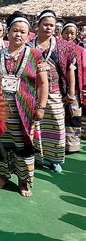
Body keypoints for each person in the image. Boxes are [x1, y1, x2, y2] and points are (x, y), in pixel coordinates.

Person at [0, 12, 48, 197]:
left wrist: (41, 107)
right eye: (15, 30)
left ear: (28, 34)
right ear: (8, 32)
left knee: (22, 145)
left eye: (23, 32)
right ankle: (4, 175)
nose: (18, 35)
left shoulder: (35, 55)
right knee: (1, 143)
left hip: (24, 110)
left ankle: (23, 181)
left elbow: (43, 83)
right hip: (0, 109)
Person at [33, 10, 76, 172]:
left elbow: (70, 70)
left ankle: (54, 159)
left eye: (52, 25)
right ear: (38, 25)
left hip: (55, 92)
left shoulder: (63, 46)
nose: (49, 28)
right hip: (33, 92)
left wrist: (71, 92)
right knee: (36, 127)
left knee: (57, 125)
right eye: (45, 25)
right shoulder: (29, 44)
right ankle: (37, 157)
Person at [60, 21, 84, 153]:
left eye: (72, 33)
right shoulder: (56, 49)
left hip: (75, 89)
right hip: (60, 87)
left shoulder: (80, 50)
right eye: (67, 33)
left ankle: (72, 146)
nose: (69, 36)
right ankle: (60, 145)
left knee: (73, 117)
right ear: (62, 33)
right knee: (60, 118)